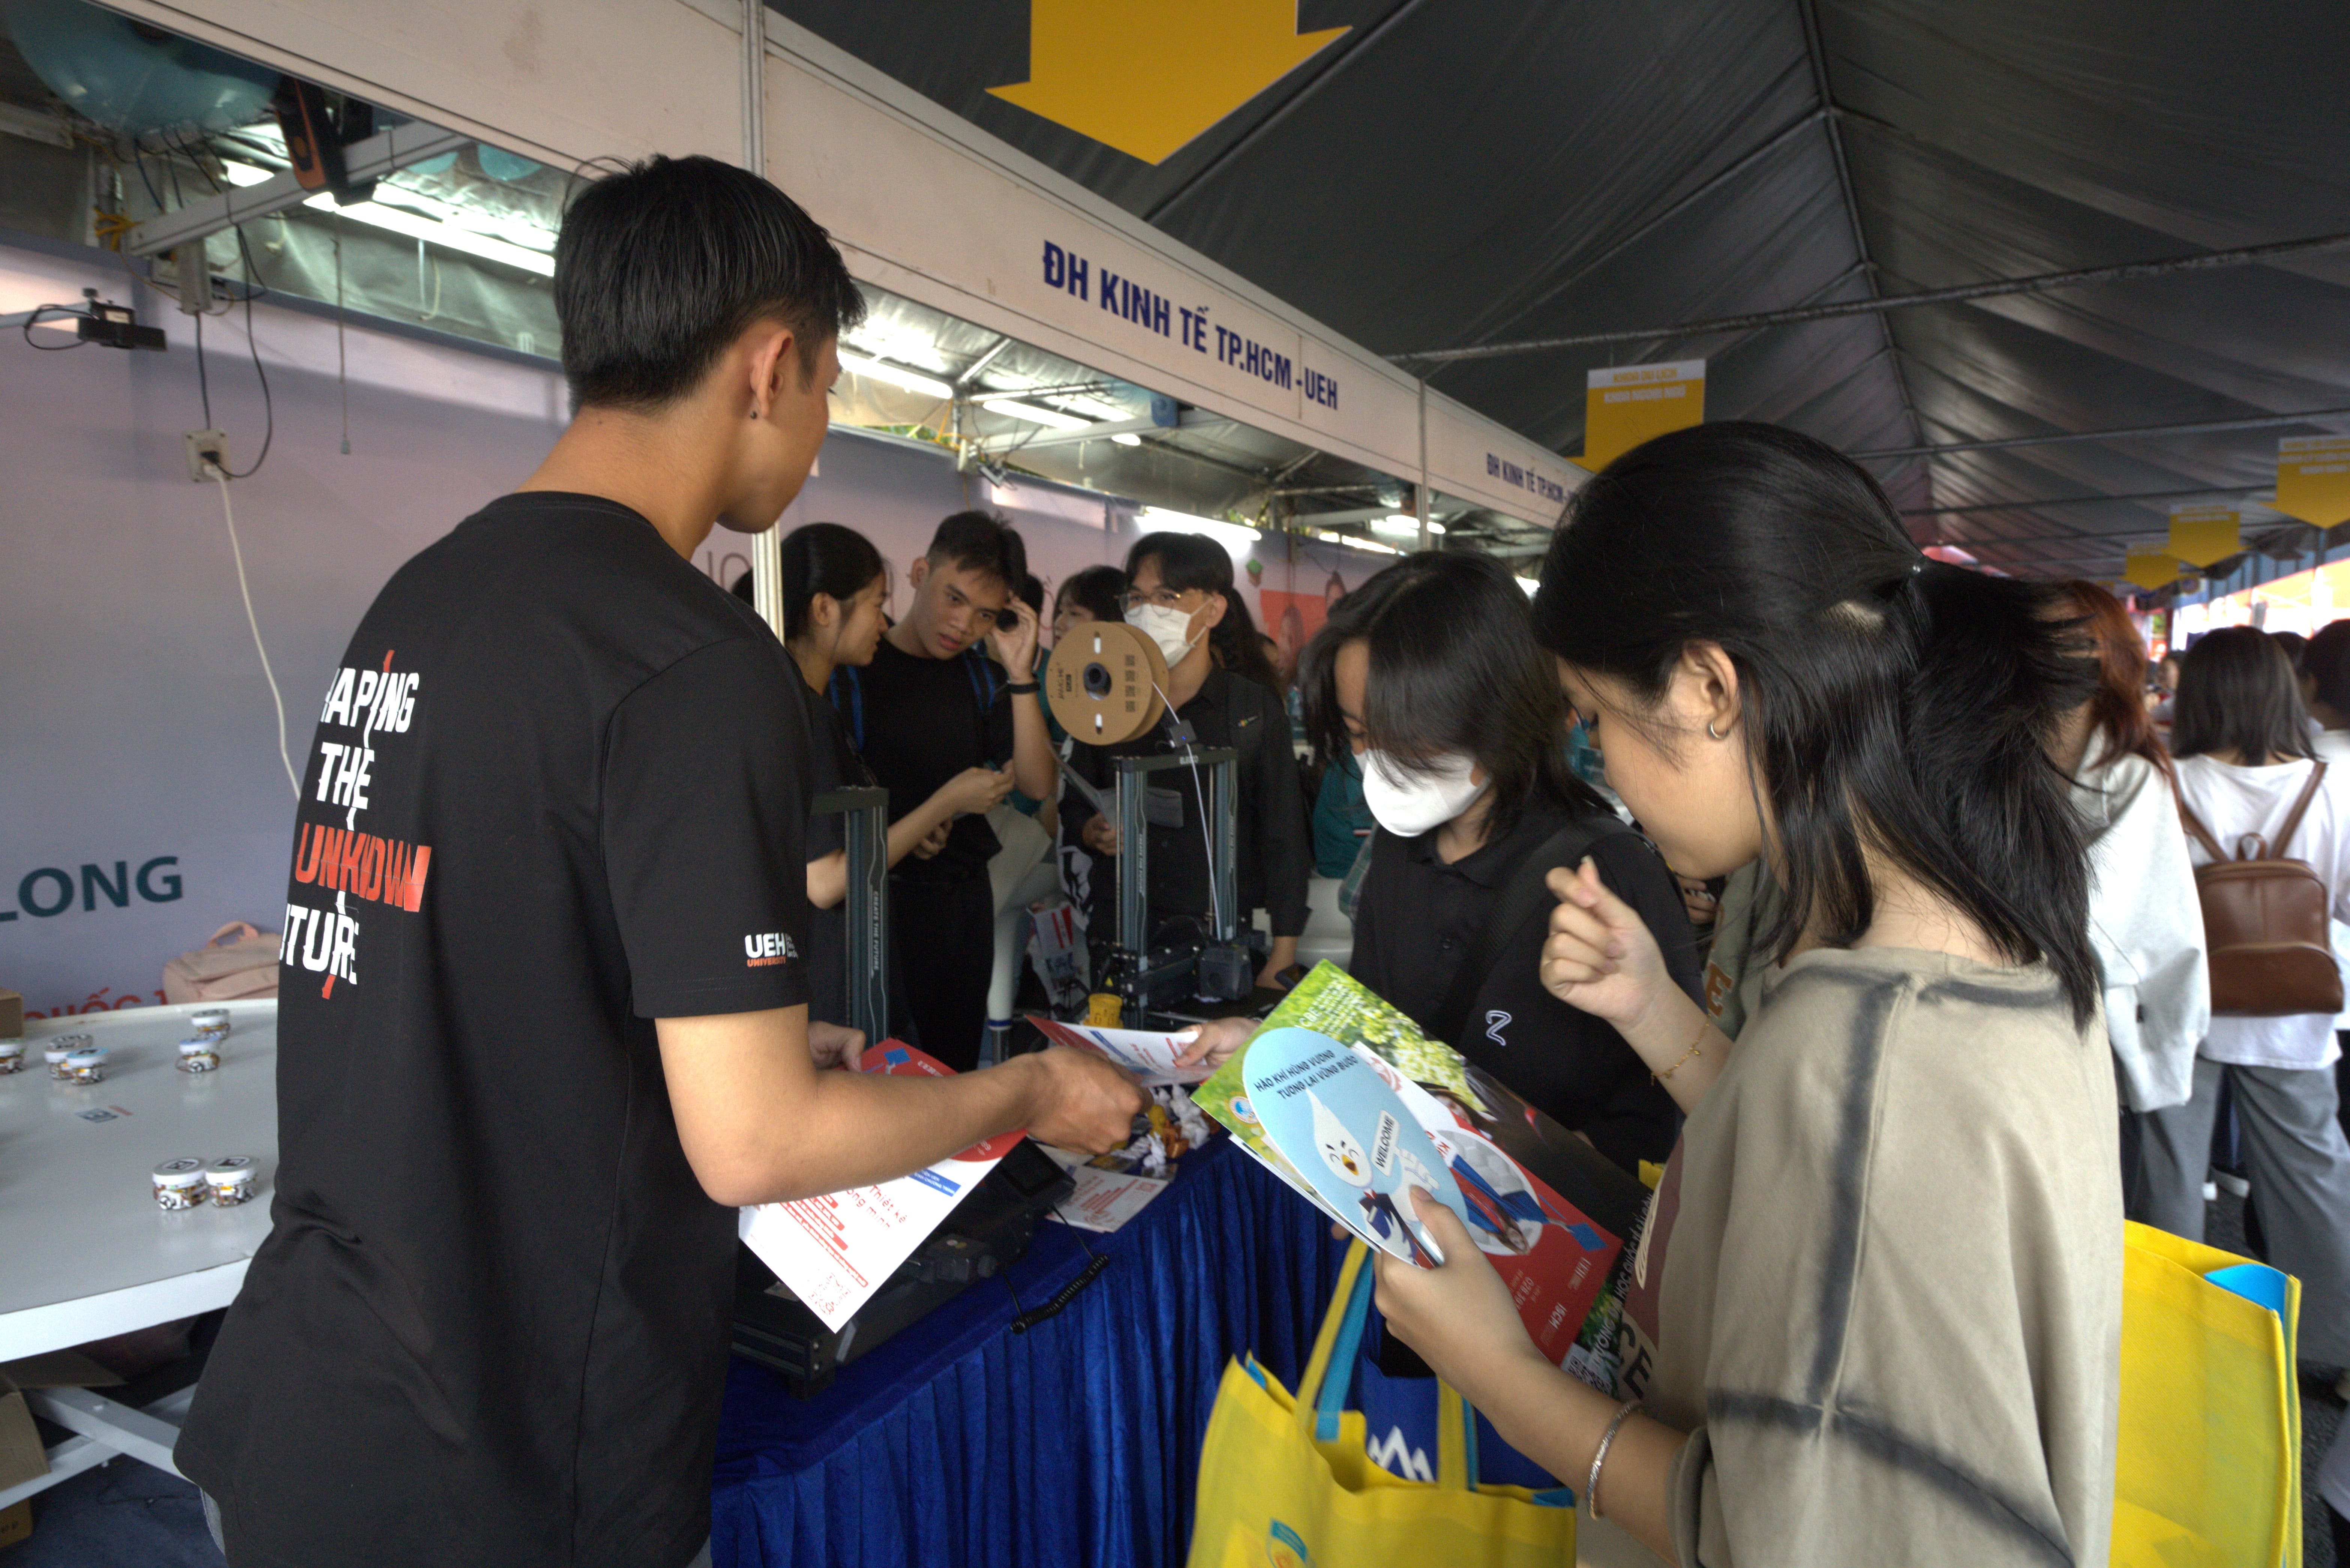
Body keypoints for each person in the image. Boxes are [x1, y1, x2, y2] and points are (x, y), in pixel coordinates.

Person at [171, 156, 1142, 1568]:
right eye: (824, 392)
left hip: (309, 1404)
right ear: (769, 365)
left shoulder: (421, 600)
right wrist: (1034, 1089)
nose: (814, 441)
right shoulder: (690, 660)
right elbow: (755, 1144)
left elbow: (483, 962)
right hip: (508, 1470)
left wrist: (697, 1026)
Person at [1367, 423, 2121, 1567]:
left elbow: (1771, 1528)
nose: (1604, 763)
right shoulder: (1980, 932)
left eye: (1596, 714)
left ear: (1712, 686)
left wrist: (1495, 1370)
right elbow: (1832, 1196)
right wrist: (1658, 1013)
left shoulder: (1870, 1053)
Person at [1183, 552, 1692, 1177]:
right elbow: (1373, 1035)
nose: (1376, 760)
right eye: (1356, 732)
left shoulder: (1607, 874)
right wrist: (1273, 1048)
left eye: (1405, 733)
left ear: (1498, 709)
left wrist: (1559, 1172)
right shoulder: (1396, 852)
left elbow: (1664, 1123)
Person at [2135, 626, 2350, 1379]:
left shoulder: (2164, 781)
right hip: (2296, 1016)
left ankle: (2164, 1333)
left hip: (2185, 1010)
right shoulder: (2333, 785)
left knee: (2167, 1175)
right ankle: (2326, 1343)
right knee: (2313, 1179)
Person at [767, 525, 1015, 1032]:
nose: (883, 621)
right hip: (839, 963)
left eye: (984, 614)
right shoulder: (809, 713)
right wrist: (944, 804)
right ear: (824, 610)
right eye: (875, 604)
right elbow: (827, 880)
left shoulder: (801, 708)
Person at [833, 510, 1055, 1069]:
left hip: (963, 901)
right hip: (882, 906)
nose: (963, 625)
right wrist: (928, 814)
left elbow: (1037, 781)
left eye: (985, 615)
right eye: (953, 599)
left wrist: (1022, 673)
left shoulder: (981, 677)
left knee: (953, 1067)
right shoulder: (857, 669)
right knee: (888, 1071)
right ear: (918, 572)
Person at [1063, 532, 1307, 992]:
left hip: (1217, 935)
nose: (1145, 610)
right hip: (1119, 930)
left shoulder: (1249, 709)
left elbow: (1284, 834)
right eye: (1136, 597)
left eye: (1166, 596)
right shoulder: (1105, 699)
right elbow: (1073, 801)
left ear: (1212, 610)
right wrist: (1090, 829)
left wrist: (1284, 952)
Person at [2049, 582, 2209, 1179]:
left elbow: (2107, 928)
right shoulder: (1998, 763)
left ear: (2109, 657)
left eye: (2069, 640)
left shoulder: (2133, 779)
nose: (2049, 653)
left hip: (2100, 1048)